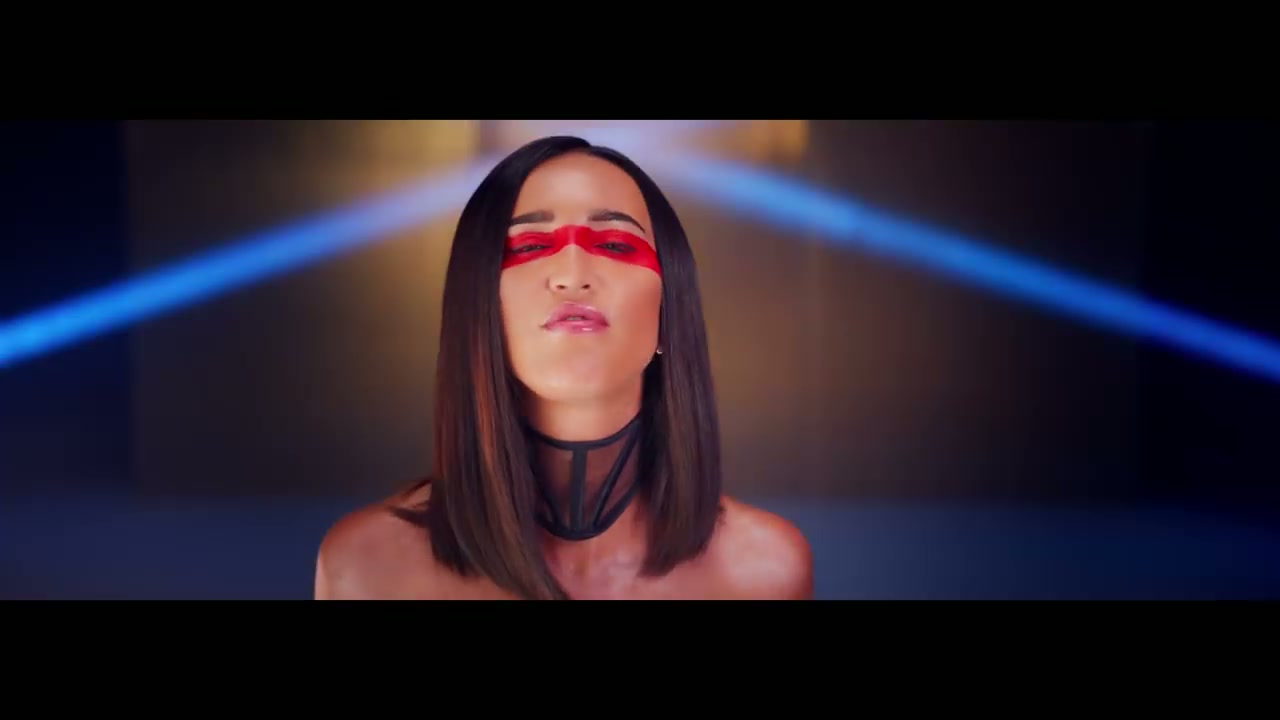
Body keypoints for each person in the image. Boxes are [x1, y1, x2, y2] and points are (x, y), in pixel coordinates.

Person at [314, 135, 813, 600]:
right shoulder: (364, 568)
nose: (572, 274)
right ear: (477, 305)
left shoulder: (767, 571)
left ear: (669, 309)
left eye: (614, 244)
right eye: (530, 246)